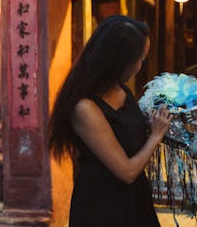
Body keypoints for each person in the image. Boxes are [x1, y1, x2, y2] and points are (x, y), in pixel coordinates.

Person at [49, 15, 172, 227]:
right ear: (118, 61)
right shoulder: (84, 107)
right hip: (103, 205)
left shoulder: (120, 89)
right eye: (140, 59)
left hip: (134, 197)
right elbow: (127, 171)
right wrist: (155, 135)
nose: (140, 65)